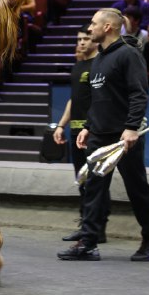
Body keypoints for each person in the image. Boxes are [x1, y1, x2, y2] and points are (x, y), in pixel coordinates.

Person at [58, 8, 149, 262]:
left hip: (124, 135)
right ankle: (89, 243)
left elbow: (139, 94)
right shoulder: (99, 59)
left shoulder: (129, 54)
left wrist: (131, 128)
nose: (89, 28)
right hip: (99, 134)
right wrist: (88, 127)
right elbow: (99, 100)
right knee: (93, 188)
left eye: (94, 24)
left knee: (136, 188)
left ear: (108, 27)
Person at [53, 25, 105, 243]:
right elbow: (73, 99)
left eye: (86, 38)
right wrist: (60, 125)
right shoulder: (78, 66)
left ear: (95, 40)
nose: (82, 42)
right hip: (75, 131)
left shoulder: (99, 65)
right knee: (82, 180)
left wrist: (90, 127)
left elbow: (99, 100)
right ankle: (86, 224)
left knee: (96, 181)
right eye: (79, 39)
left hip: (92, 131)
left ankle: (97, 229)